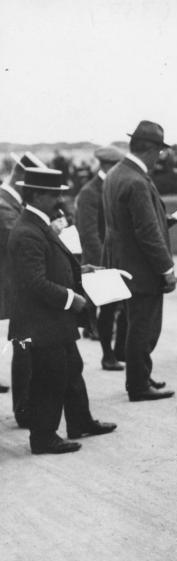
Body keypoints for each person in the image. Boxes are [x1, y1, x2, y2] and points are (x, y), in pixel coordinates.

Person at [8, 167, 116, 454]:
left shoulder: (37, 225)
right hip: (40, 322)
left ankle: (80, 421)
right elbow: (35, 282)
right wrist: (72, 299)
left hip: (52, 319)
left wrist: (81, 272)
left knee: (71, 368)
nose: (58, 200)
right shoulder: (28, 231)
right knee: (50, 377)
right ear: (37, 195)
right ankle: (43, 438)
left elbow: (51, 267)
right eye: (53, 194)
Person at [102, 120, 177, 402]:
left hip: (123, 263)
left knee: (136, 323)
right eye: (160, 151)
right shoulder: (136, 181)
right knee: (144, 327)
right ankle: (138, 384)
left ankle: (141, 375)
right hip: (142, 269)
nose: (160, 158)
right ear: (153, 150)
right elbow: (146, 232)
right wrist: (166, 267)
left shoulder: (115, 175)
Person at [0, 152, 44, 426]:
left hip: (16, 285)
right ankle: (24, 408)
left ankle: (27, 406)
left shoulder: (9, 204)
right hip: (13, 287)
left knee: (26, 345)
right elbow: (21, 241)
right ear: (21, 182)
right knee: (24, 346)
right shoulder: (4, 206)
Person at [75, 146, 128, 371]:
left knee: (123, 308)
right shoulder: (90, 192)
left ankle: (119, 352)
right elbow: (88, 233)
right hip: (102, 261)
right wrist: (101, 266)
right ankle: (108, 356)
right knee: (107, 310)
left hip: (119, 258)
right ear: (108, 165)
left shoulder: (115, 186)